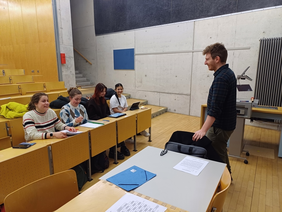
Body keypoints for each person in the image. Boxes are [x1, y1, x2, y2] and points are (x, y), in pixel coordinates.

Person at [192, 43, 236, 175]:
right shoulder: (227, 73)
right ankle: (227, 178)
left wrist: (203, 130)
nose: (205, 62)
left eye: (207, 59)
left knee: (214, 154)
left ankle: (222, 181)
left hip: (220, 127)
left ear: (217, 59)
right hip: (226, 125)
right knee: (220, 150)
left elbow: (215, 109)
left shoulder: (221, 79)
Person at [86, 83, 130, 160]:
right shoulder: (91, 101)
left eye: (104, 91)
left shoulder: (103, 100)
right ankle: (113, 151)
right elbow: (92, 116)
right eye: (102, 91)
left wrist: (107, 118)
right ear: (97, 91)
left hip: (105, 121)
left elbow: (107, 112)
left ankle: (120, 147)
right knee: (112, 130)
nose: (104, 93)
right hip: (97, 123)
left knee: (117, 128)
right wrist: (104, 119)